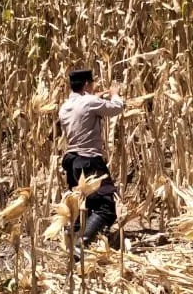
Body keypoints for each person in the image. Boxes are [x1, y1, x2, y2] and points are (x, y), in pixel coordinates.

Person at [57, 68, 124, 252]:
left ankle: (72, 240)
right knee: (107, 206)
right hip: (89, 161)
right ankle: (82, 243)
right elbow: (117, 108)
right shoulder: (90, 102)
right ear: (86, 84)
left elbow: (85, 108)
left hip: (72, 162)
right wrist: (115, 94)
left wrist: (96, 96)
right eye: (91, 83)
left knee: (81, 204)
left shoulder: (64, 107)